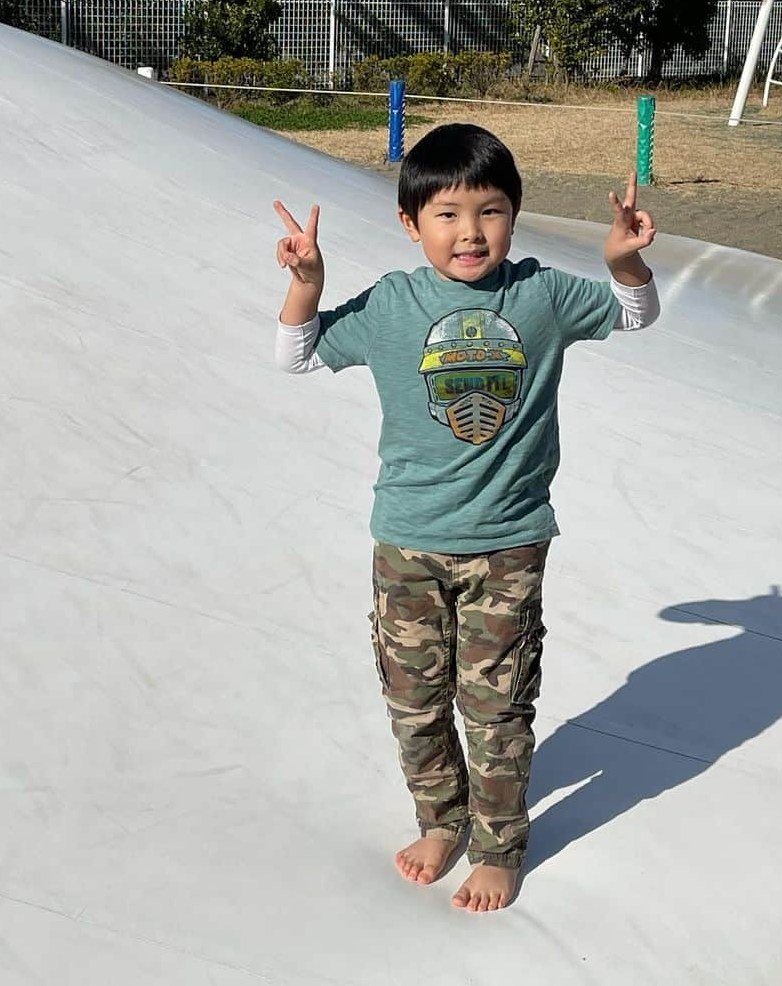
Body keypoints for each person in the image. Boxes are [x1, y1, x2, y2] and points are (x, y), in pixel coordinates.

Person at [272, 123, 660, 913]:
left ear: (514, 216)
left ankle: (499, 845)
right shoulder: (391, 303)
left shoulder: (542, 294)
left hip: (507, 545)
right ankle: (441, 821)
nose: (470, 232)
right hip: (407, 545)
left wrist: (626, 262)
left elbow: (635, 314)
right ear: (410, 225)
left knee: (496, 705)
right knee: (413, 702)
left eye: (489, 211)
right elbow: (297, 353)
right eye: (446, 214)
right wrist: (308, 280)